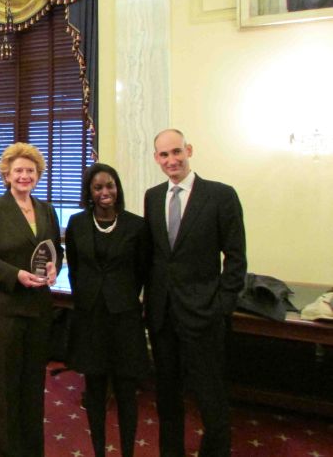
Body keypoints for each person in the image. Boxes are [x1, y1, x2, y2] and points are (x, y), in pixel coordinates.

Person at [144, 129, 247, 457]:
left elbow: (236, 256)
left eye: (177, 152)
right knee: (167, 396)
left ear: (189, 150)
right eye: (164, 155)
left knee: (210, 397)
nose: (171, 160)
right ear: (156, 158)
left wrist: (223, 305)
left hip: (204, 314)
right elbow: (156, 256)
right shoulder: (152, 196)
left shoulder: (220, 195)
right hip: (162, 315)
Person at [0, 142, 62, 457]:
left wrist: (54, 268)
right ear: (7, 174)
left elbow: (55, 251)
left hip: (37, 311)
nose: (25, 176)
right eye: (19, 170)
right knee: (3, 391)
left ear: (38, 175)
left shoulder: (46, 209)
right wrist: (15, 275)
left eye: (31, 170)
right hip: (1, 313)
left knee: (33, 388)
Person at [65, 163, 149, 457]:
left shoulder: (137, 226)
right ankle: (98, 449)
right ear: (89, 192)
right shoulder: (76, 224)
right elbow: (74, 268)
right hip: (91, 319)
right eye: (98, 187)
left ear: (118, 188)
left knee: (126, 392)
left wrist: (122, 296)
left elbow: (142, 271)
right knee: (95, 392)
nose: (105, 192)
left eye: (110, 185)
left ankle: (128, 450)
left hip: (125, 319)